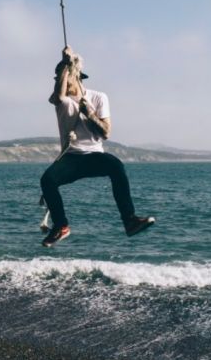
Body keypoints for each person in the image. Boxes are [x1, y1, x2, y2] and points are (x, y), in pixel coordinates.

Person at [39, 46, 155, 247]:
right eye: (59, 79)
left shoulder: (98, 97)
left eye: (65, 77)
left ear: (78, 77)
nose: (62, 82)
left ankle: (130, 221)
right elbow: (58, 96)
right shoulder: (61, 100)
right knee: (47, 180)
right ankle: (61, 226)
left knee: (116, 166)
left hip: (93, 155)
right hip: (71, 158)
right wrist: (66, 64)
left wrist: (89, 113)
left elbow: (106, 132)